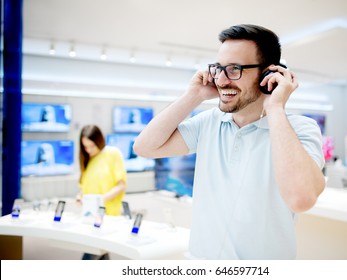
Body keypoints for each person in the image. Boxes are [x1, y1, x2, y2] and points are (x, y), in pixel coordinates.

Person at [133, 24, 325, 259]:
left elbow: (301, 198)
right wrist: (194, 95)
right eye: (219, 69)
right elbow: (144, 147)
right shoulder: (208, 123)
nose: (222, 80)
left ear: (268, 74)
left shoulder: (300, 128)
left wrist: (275, 107)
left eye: (234, 69)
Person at [77, 124, 127, 260]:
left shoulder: (112, 154)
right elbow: (84, 186)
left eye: (91, 146)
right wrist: (79, 197)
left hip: (107, 215)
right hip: (90, 215)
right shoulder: (88, 159)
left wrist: (99, 200)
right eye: (85, 147)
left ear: (99, 141)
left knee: (92, 254)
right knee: (100, 254)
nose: (88, 150)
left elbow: (121, 185)